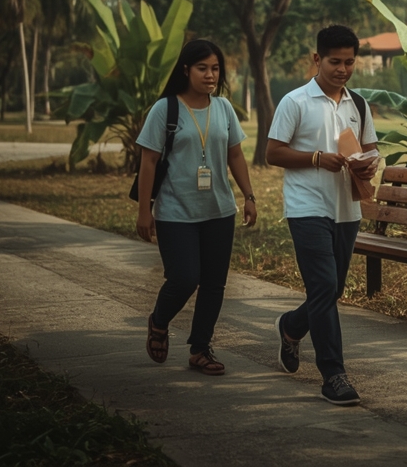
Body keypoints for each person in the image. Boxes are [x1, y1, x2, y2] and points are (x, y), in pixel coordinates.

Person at [266, 25, 378, 406]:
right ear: (317, 59)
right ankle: (334, 375)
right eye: (335, 61)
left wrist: (367, 166)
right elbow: (273, 152)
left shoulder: (358, 104)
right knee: (325, 288)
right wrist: (316, 158)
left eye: (349, 62)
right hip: (307, 207)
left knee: (330, 290)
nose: (343, 69)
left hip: (347, 208)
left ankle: (291, 327)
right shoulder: (295, 101)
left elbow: (371, 148)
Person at [136, 39, 257, 376]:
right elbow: (148, 161)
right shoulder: (166, 109)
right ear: (186, 69)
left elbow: (235, 154)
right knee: (185, 277)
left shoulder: (224, 109)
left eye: (215, 68)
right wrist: (145, 210)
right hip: (176, 212)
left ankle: (200, 349)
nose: (210, 75)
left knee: (215, 283)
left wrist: (249, 196)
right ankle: (159, 321)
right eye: (202, 68)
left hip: (219, 209)